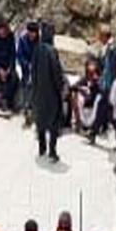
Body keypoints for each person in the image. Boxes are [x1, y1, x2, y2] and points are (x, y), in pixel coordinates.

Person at [28, 24, 67, 161]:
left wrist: (35, 88)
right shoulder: (52, 51)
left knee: (41, 121)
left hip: (39, 92)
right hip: (51, 94)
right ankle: (52, 151)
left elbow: (33, 71)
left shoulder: (37, 49)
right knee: (54, 123)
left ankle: (42, 148)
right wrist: (60, 88)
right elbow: (56, 73)